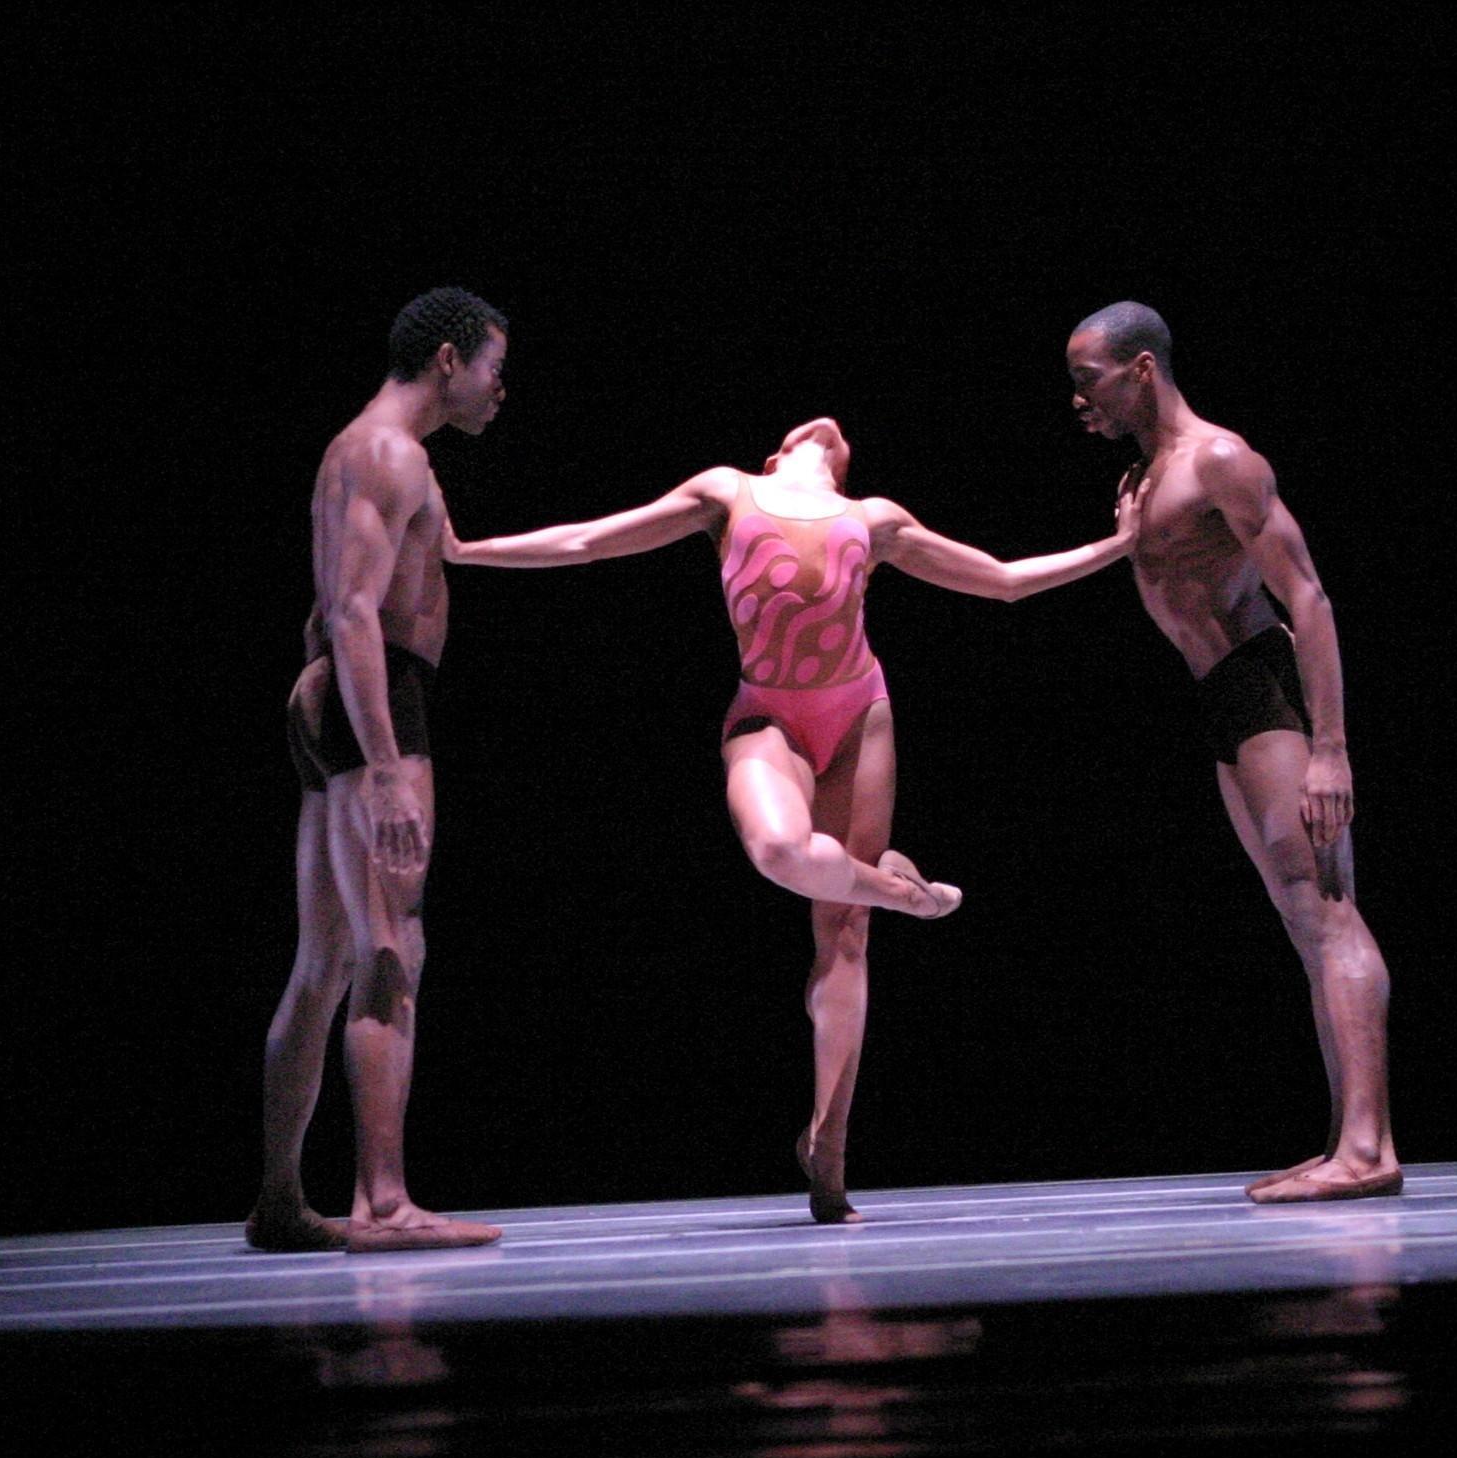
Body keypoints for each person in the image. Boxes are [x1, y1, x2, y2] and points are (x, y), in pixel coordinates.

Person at [447, 418, 1137, 1221]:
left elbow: (1004, 580)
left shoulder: (874, 518)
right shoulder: (726, 490)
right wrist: (467, 551)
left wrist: (1115, 546)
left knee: (843, 933)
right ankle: (897, 888)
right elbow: (588, 543)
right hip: (767, 716)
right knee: (778, 846)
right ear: (775, 452)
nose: (827, 427)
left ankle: (830, 1142)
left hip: (858, 716)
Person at [1067, 301, 1400, 1202]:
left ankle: (1369, 1147)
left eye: (1087, 378)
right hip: (1221, 699)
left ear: (1141, 369)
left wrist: (1329, 750)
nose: (1077, 400)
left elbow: (1309, 596)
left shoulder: (1216, 458)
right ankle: (1347, 1142)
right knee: (1301, 920)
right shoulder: (1144, 481)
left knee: (1326, 908)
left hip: (1265, 689)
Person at [247, 287, 511, 1253]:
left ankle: (280, 1200)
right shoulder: (387, 452)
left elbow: (342, 603)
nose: (498, 389)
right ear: (447, 359)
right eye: (492, 368)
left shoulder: (370, 452)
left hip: (344, 702)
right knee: (390, 946)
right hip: (377, 704)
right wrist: (389, 765)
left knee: (323, 961)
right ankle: (385, 1201)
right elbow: (354, 610)